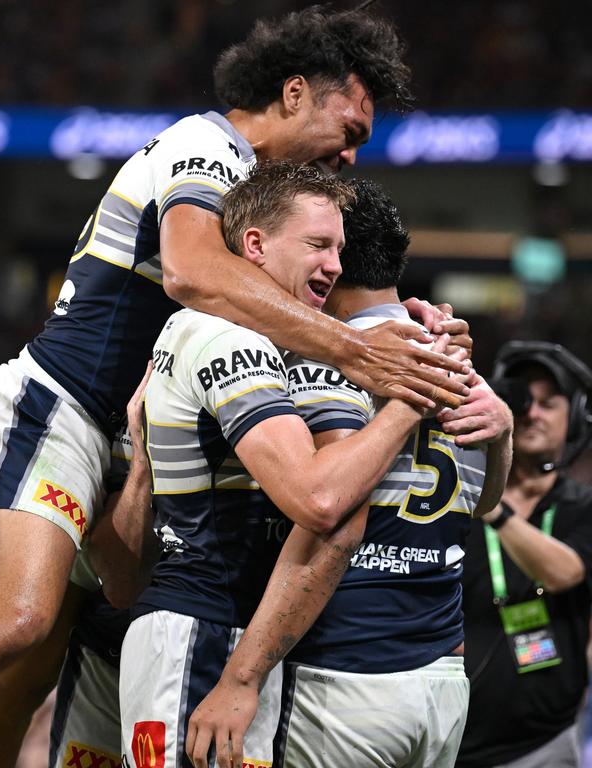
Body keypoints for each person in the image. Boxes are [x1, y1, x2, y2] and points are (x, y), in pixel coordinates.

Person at [0, 7, 472, 766]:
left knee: (20, 676)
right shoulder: (206, 145)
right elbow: (190, 271)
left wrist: (396, 325)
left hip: (124, 441)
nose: (351, 157)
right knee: (13, 620)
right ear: (293, 94)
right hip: (57, 409)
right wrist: (358, 351)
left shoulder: (258, 199)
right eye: (348, 130)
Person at [117, 161, 438, 768]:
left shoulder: (260, 339)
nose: (336, 265)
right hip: (204, 638)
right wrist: (405, 401)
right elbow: (321, 502)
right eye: (318, 244)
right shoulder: (223, 336)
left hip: (224, 637)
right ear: (255, 245)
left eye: (340, 248)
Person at [185, 178, 513, 768]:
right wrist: (505, 429)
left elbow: (329, 513)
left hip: (346, 670)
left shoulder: (333, 361)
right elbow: (486, 503)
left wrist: (242, 677)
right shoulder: (457, 362)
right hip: (441, 681)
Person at [455, 341, 592, 768]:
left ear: (575, 419)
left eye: (548, 404)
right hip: (449, 732)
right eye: (521, 400)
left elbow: (564, 571)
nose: (531, 414)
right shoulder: (456, 498)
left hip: (543, 743)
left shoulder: (582, 506)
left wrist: (493, 507)